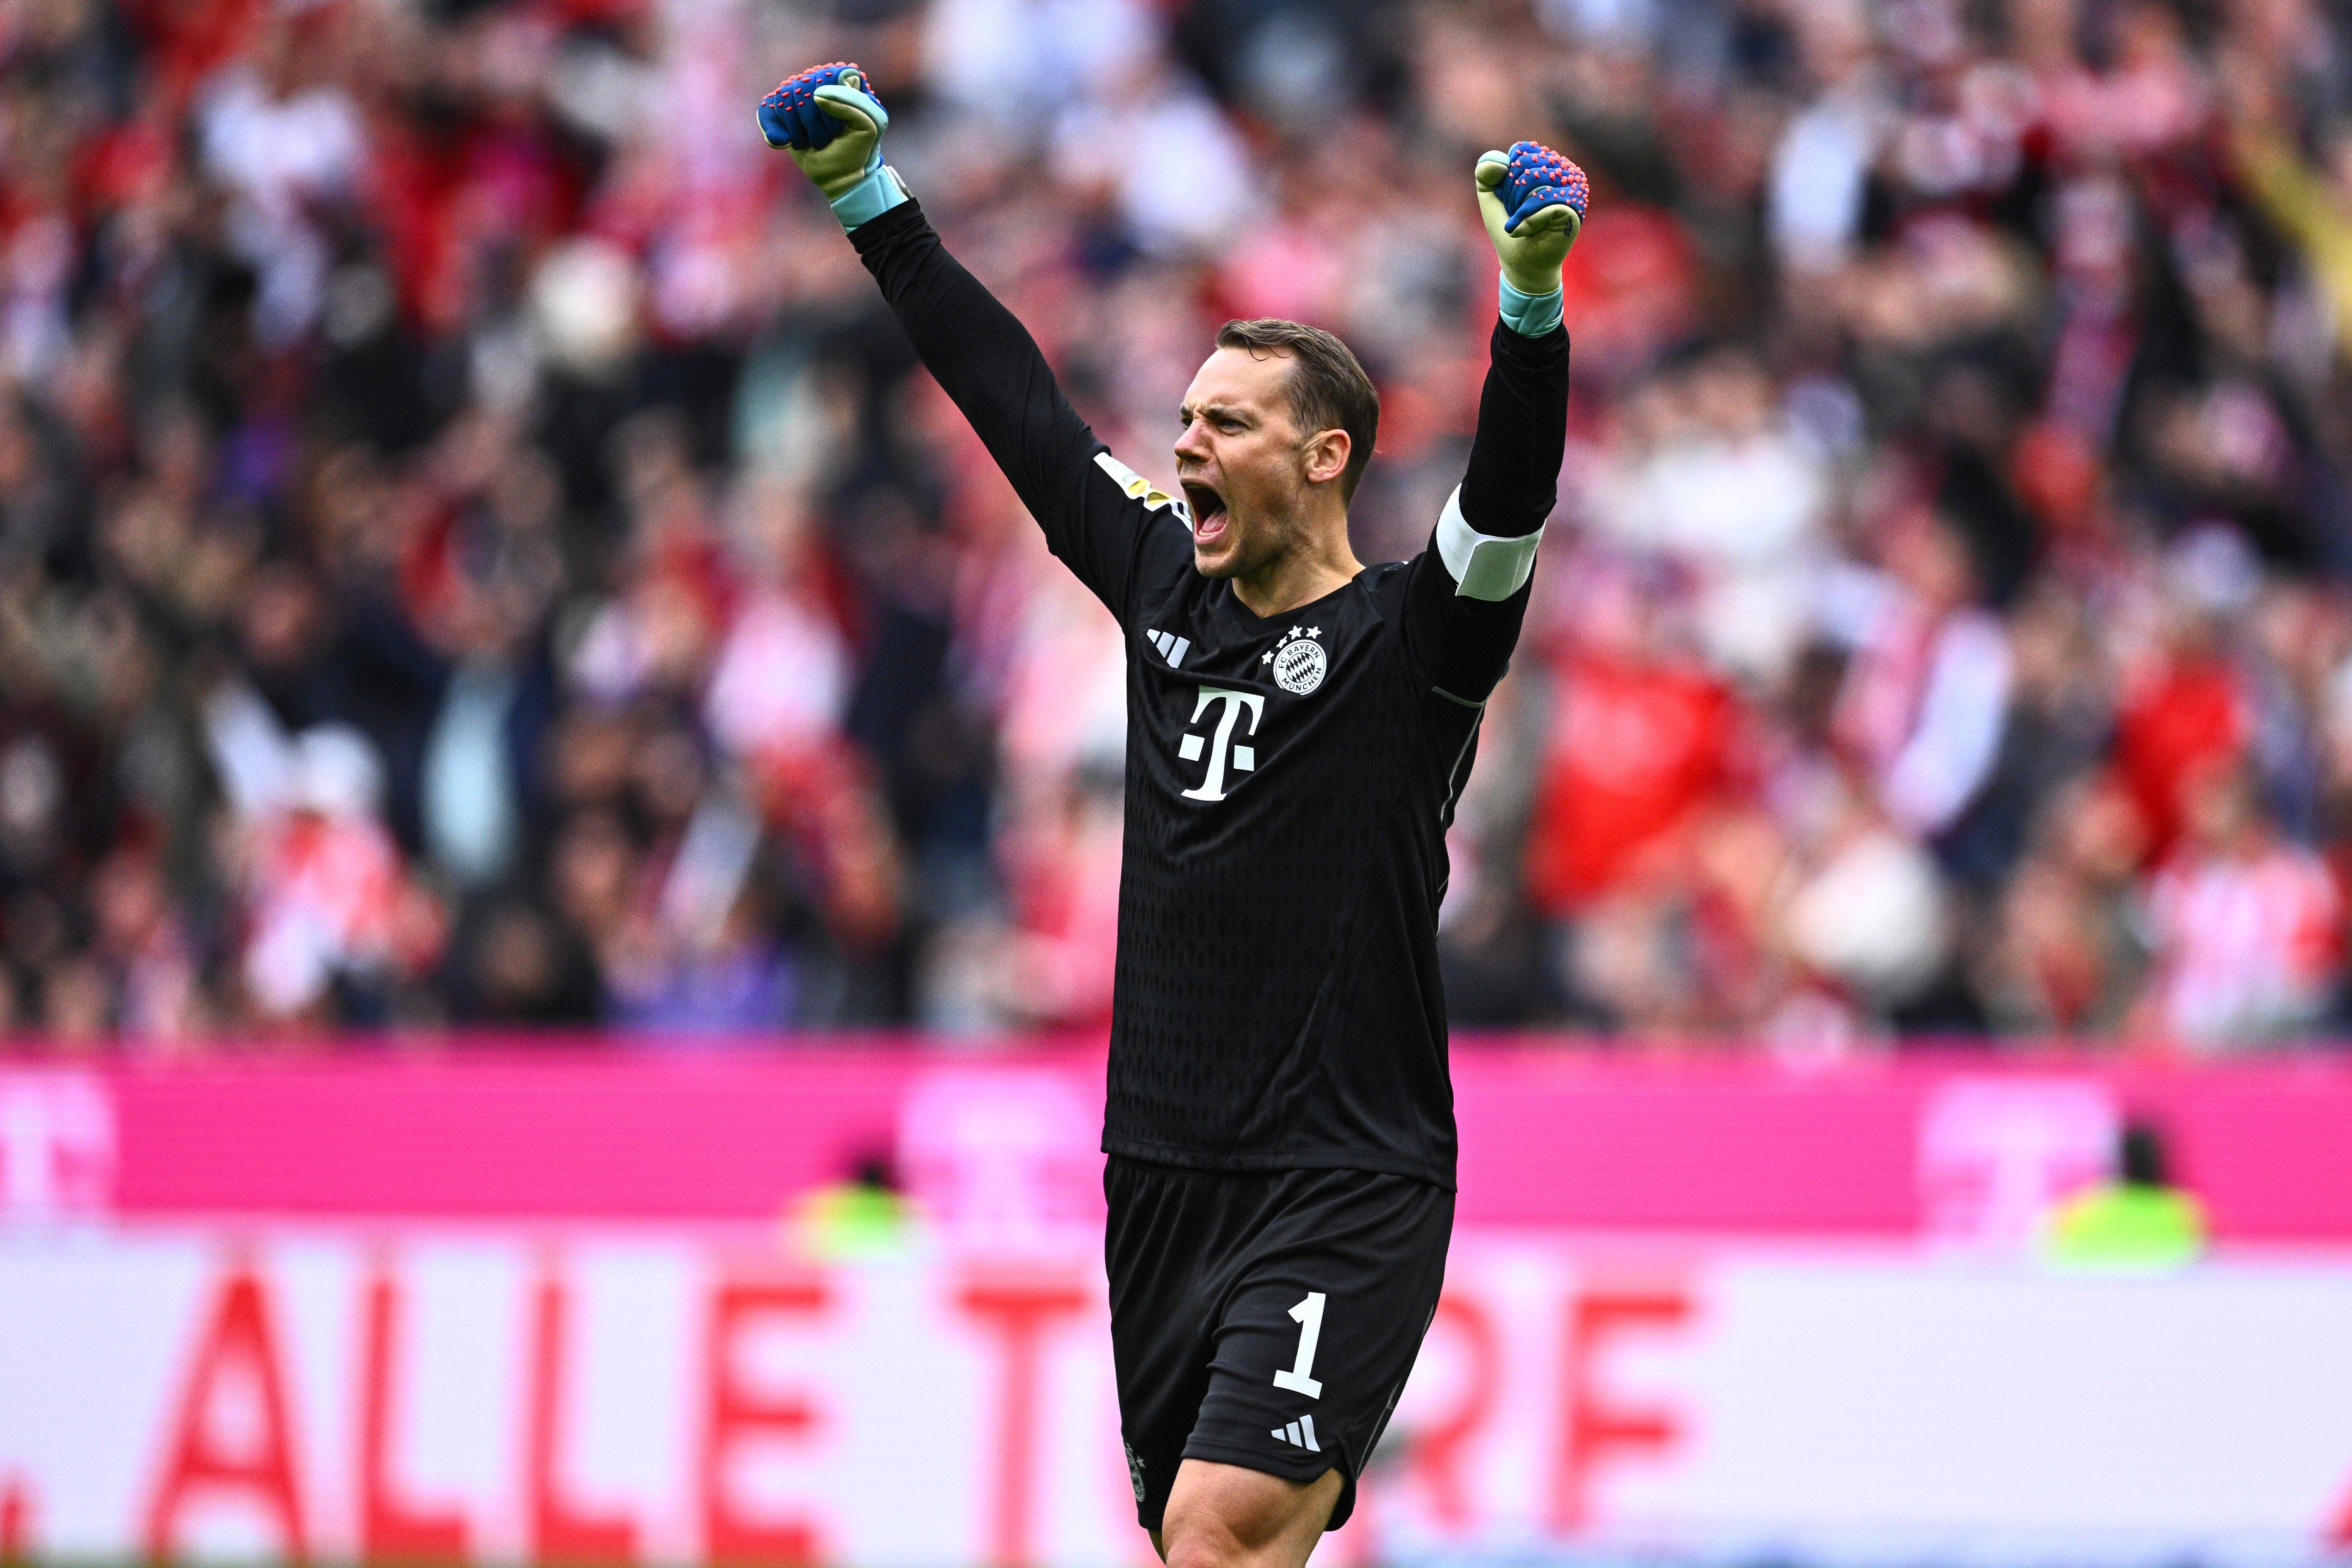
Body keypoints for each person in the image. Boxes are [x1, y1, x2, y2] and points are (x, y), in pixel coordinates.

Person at [758, 63, 1580, 1568]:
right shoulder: (1159, 586)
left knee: (1212, 1533)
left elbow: (1511, 496)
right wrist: (867, 202)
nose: (1186, 445)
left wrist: (1527, 304)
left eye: (1231, 426)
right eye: (1187, 419)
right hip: (1159, 1169)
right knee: (1208, 1550)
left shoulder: (1416, 642)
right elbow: (1016, 407)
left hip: (1344, 1174)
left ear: (1324, 457)